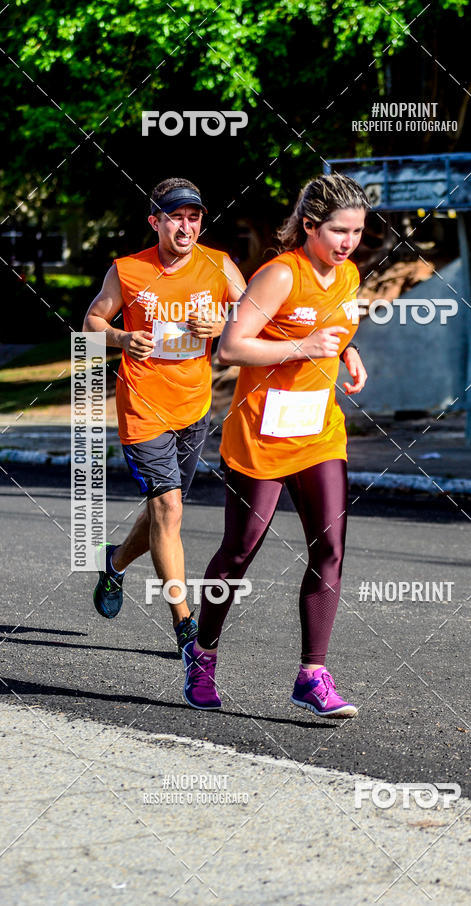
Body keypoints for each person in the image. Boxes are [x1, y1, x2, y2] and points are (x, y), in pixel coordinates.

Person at [181, 173, 369, 717]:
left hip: (318, 433)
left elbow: (340, 329)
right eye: (338, 231)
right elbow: (232, 348)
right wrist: (303, 346)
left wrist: (348, 353)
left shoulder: (349, 274)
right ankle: (203, 653)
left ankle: (313, 675)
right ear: (309, 225)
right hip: (261, 433)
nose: (347, 242)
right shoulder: (280, 275)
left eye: (356, 232)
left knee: (330, 549)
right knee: (240, 552)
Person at [83, 177, 245, 653]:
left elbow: (257, 313)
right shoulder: (128, 271)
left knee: (165, 512)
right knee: (168, 508)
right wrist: (119, 338)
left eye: (194, 217)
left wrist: (223, 323)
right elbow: (92, 322)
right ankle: (185, 627)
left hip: (194, 408)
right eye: (176, 216)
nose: (187, 226)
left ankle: (112, 561)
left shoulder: (219, 265)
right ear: (155, 221)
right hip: (142, 407)